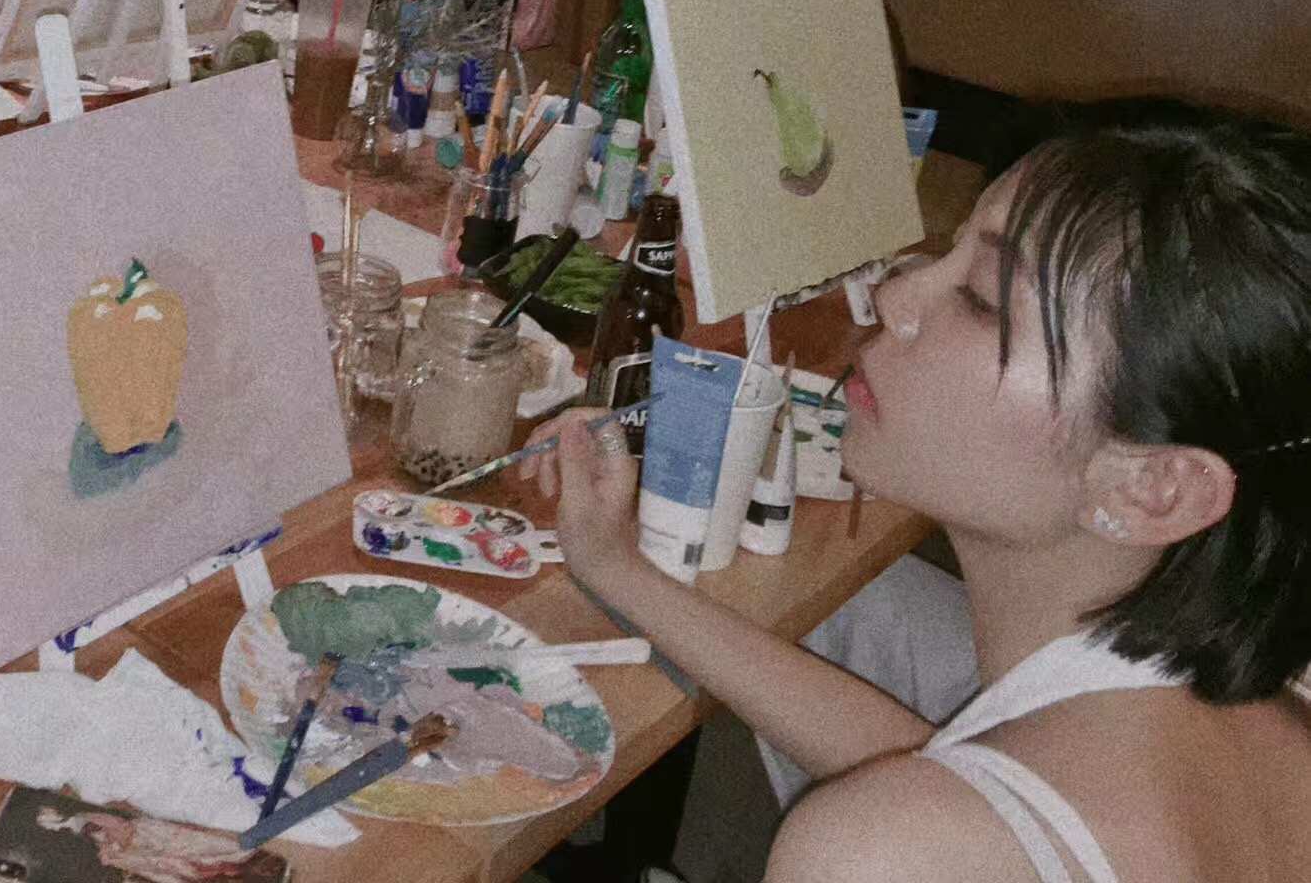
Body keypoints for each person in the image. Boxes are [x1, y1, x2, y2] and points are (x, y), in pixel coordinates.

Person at [523, 99, 1311, 881]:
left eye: (980, 300)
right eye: (948, 253)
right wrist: (614, 566)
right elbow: (959, 774)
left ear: (1156, 488)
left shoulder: (882, 853)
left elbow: (927, 829)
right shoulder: (1248, 684)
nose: (896, 297)